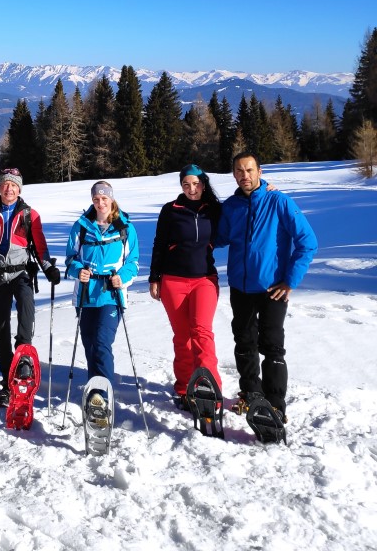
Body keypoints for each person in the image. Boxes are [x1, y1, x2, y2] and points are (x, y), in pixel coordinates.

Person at [215, 151, 318, 419]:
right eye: (239, 171)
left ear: (260, 172)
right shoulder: (231, 206)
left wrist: (290, 281)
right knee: (244, 343)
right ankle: (251, 395)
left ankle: (274, 405)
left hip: (273, 289)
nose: (244, 175)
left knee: (271, 346)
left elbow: (308, 242)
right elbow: (219, 237)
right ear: (234, 174)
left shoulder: (279, 201)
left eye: (249, 170)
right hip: (240, 287)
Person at [0, 167, 60, 406]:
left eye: (13, 185)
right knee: (0, 329)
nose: (9, 188)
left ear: (19, 188)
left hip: (21, 273)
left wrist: (48, 268)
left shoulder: (29, 215)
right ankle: (6, 381)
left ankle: (23, 363)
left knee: (26, 312)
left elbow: (40, 247)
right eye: (5, 184)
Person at [149, 165, 222, 408]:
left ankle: (210, 388)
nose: (192, 189)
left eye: (196, 184)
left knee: (202, 333)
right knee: (183, 338)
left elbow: (243, 207)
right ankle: (184, 388)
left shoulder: (214, 210)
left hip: (204, 280)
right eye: (186, 184)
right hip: (173, 281)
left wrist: (265, 188)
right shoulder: (171, 210)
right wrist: (154, 277)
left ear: (204, 183)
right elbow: (159, 243)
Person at [64, 181, 139, 420]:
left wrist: (122, 277)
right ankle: (94, 389)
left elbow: (133, 262)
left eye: (104, 198)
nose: (100, 203)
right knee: (90, 344)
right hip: (86, 295)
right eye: (96, 199)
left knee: (102, 342)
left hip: (111, 293)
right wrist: (78, 271)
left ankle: (102, 398)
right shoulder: (82, 226)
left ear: (112, 199)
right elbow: (69, 259)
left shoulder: (125, 227)